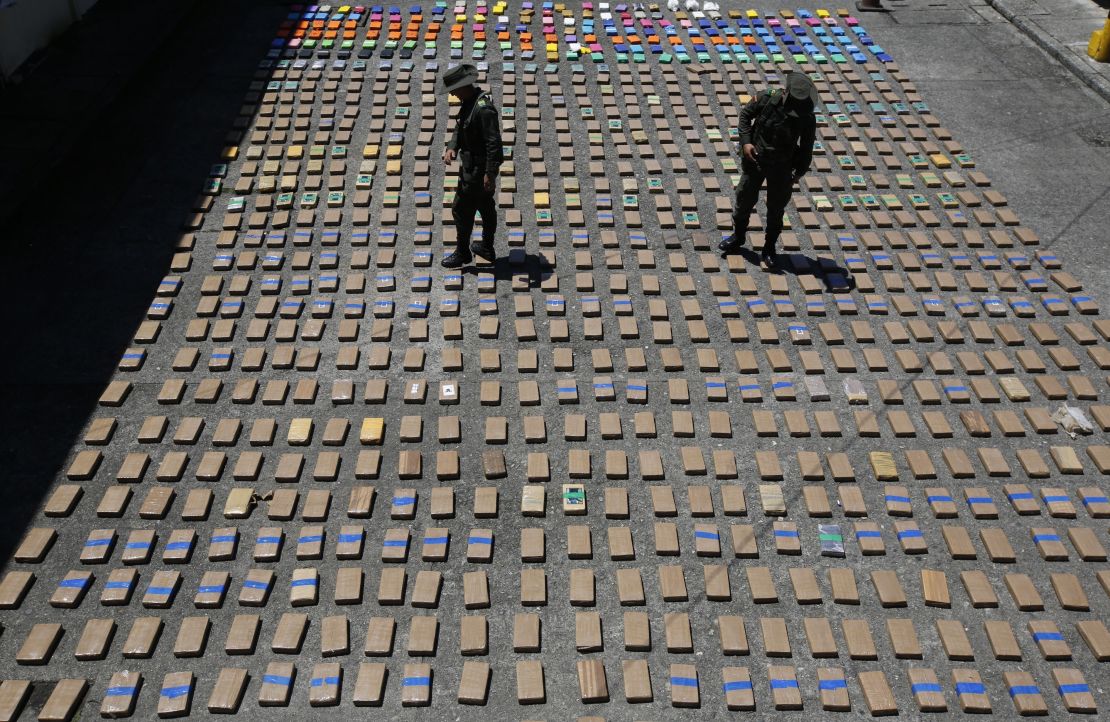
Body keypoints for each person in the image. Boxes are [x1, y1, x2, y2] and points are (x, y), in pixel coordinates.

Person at [719, 71, 818, 268]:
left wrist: (798, 173)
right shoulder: (767, 97)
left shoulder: (806, 117)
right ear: (786, 93)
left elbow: (807, 148)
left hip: (782, 167)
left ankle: (769, 248)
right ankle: (738, 237)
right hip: (756, 160)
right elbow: (746, 115)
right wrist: (746, 143)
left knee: (776, 209)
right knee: (744, 199)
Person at [440, 63, 504, 268]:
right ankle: (486, 247)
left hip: (477, 172)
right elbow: (460, 129)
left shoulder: (483, 109)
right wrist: (452, 147)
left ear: (463, 86)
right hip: (472, 168)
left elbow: (494, 144)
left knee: (461, 209)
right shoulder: (470, 102)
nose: (452, 95)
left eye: (453, 91)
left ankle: (463, 253)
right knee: (485, 207)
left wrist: (490, 174)